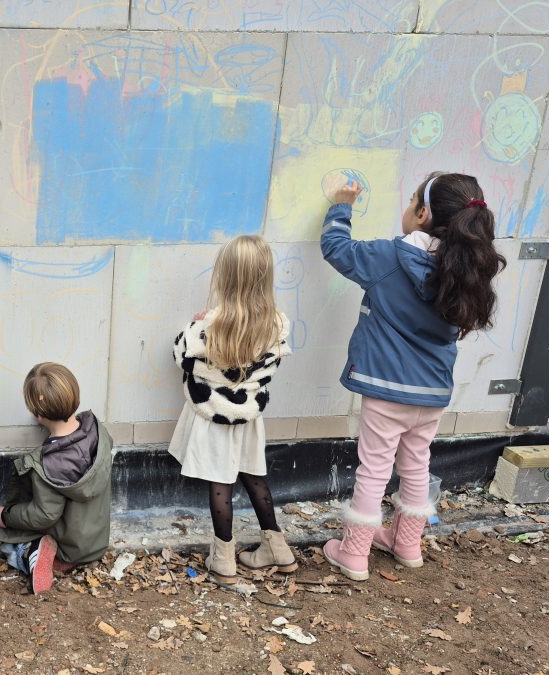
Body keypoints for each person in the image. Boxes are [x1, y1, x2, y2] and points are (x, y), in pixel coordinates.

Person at [320, 173, 506, 581]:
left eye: (410, 203)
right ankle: (406, 544)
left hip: (388, 390)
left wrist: (341, 205)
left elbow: (335, 248)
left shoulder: (389, 258)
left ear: (422, 214)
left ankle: (353, 554)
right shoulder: (465, 268)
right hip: (433, 393)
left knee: (373, 469)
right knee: (416, 465)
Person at [168, 235, 295, 584]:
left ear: (224, 277)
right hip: (249, 417)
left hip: (213, 417)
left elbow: (181, 355)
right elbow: (268, 368)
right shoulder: (276, 323)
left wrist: (195, 325)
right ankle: (278, 548)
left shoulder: (209, 326)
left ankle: (223, 558)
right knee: (254, 475)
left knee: (221, 482)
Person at [0, 363, 113, 594]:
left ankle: (32, 555)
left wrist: (5, 517)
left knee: (7, 544)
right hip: (95, 541)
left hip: (69, 546)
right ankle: (61, 560)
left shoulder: (49, 463)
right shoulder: (98, 432)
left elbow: (43, 515)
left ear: (38, 414)